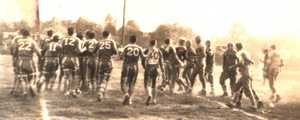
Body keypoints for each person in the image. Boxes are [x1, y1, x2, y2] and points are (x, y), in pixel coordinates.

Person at [228, 43, 263, 109]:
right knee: (236, 88)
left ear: (237, 47)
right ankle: (234, 102)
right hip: (245, 73)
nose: (235, 48)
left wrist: (233, 66)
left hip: (245, 74)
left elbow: (242, 62)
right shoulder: (245, 52)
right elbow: (245, 61)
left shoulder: (241, 53)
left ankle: (254, 105)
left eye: (235, 47)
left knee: (248, 90)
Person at [14, 28, 41, 97]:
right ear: (28, 34)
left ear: (22, 34)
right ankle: (30, 86)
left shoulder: (18, 41)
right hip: (29, 61)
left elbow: (14, 52)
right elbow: (38, 53)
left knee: (22, 77)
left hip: (20, 61)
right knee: (33, 76)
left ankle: (24, 92)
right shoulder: (32, 41)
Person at [120, 35, 144, 105]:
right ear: (136, 40)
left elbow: (121, 56)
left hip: (126, 66)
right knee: (132, 84)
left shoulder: (126, 47)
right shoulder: (139, 48)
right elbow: (143, 57)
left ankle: (126, 94)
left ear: (129, 40)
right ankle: (130, 99)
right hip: (135, 67)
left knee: (123, 83)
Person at [96, 31, 117, 102]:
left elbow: (95, 51)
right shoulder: (111, 41)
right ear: (109, 35)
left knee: (100, 77)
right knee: (105, 79)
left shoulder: (99, 42)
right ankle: (101, 92)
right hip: (108, 62)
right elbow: (115, 52)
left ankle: (101, 91)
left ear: (102, 35)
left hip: (101, 62)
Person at [142, 39, 164, 105]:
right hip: (156, 68)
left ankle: (149, 94)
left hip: (149, 67)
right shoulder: (159, 51)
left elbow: (143, 59)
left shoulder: (147, 50)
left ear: (149, 43)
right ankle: (154, 100)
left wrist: (144, 67)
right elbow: (161, 62)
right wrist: (162, 71)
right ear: (155, 44)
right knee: (154, 85)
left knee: (147, 84)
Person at [61, 27, 80, 95]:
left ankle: (66, 91)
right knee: (74, 75)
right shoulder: (76, 39)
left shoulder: (63, 39)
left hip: (65, 58)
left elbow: (61, 49)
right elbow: (79, 50)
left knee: (66, 76)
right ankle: (73, 90)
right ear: (74, 32)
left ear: (67, 32)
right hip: (73, 58)